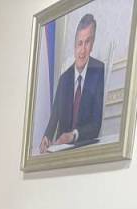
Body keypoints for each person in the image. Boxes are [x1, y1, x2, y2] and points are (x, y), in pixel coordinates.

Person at [40, 13, 105, 153]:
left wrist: (73, 135)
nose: (82, 50)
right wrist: (47, 136)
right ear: (74, 46)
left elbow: (96, 125)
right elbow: (54, 118)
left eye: (87, 42)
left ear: (92, 44)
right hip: (61, 151)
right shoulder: (64, 79)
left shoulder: (98, 70)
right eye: (79, 43)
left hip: (85, 148)